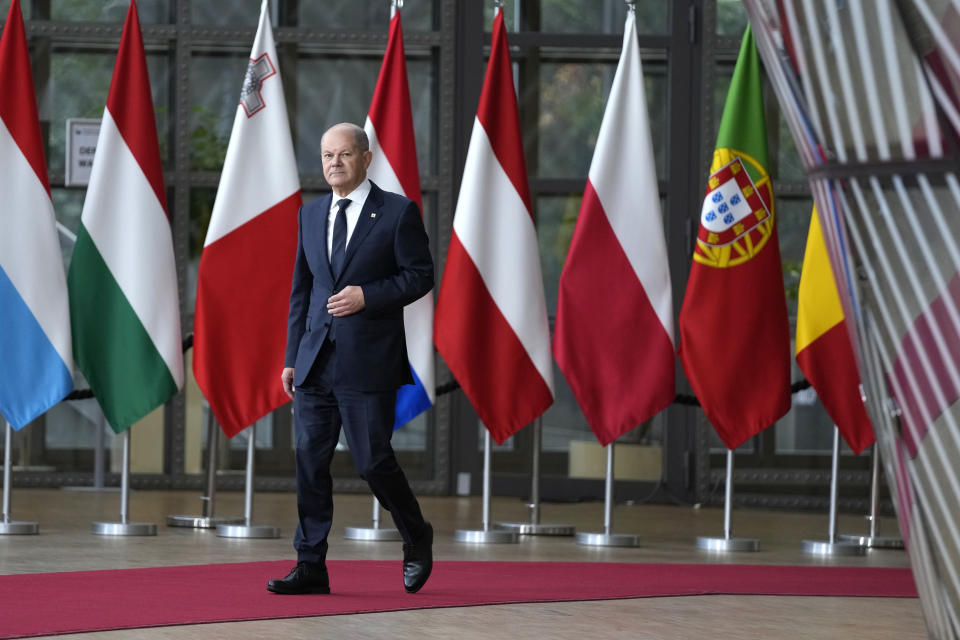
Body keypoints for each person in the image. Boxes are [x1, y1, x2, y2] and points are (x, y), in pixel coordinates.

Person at [268, 122, 434, 595]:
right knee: (308, 461)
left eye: (343, 154)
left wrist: (368, 296)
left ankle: (416, 535)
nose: (333, 163)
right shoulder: (309, 214)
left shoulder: (398, 213)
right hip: (316, 360)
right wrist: (292, 357)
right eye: (326, 156)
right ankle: (310, 565)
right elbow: (302, 291)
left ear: (365, 158)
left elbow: (420, 276)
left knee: (372, 462)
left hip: (368, 362)